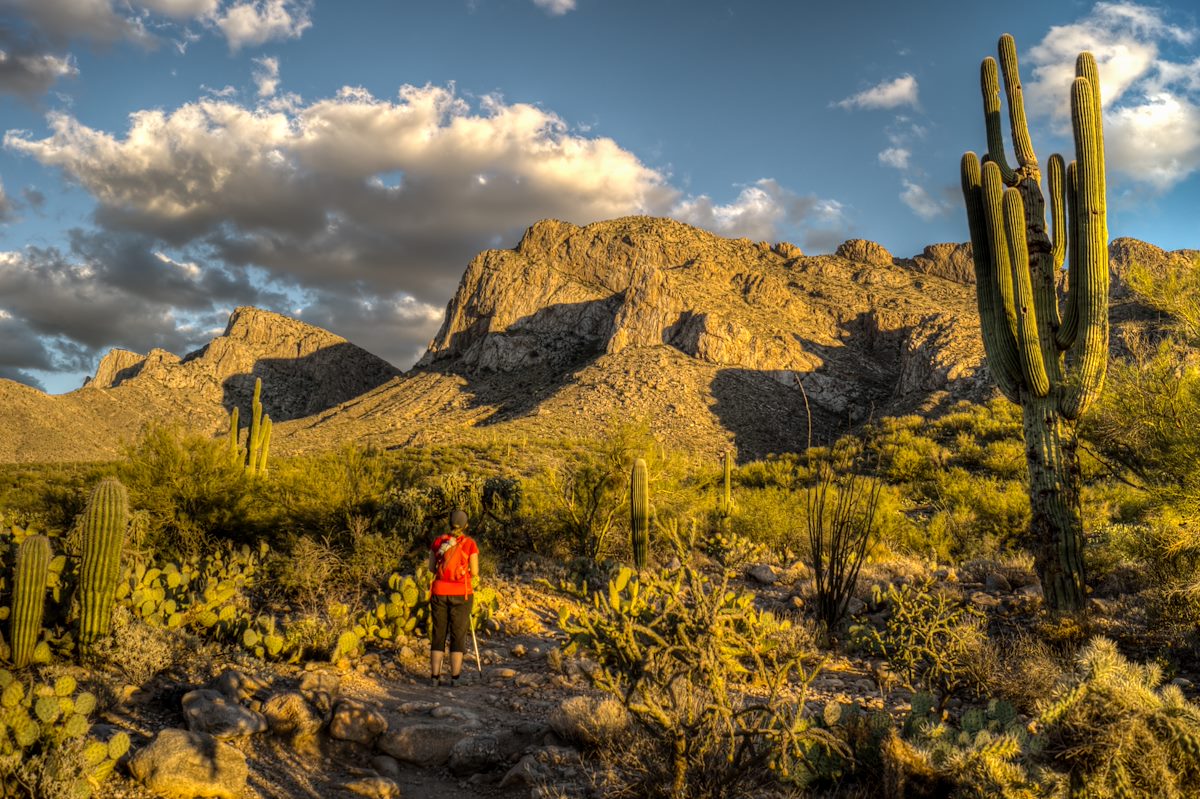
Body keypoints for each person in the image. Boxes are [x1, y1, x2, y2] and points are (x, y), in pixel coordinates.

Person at [428, 508, 479, 687]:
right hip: (462, 594)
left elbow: (431, 568)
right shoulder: (470, 543)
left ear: (449, 523)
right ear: (466, 525)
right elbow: (476, 571)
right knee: (458, 635)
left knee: (438, 633)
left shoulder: (438, 542)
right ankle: (455, 678)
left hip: (439, 592)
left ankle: (435, 677)